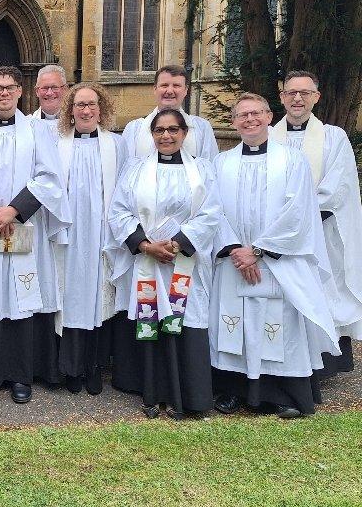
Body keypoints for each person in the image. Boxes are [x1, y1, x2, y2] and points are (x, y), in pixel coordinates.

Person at [209, 93, 339, 418]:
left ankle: (281, 393)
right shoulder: (220, 163)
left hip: (276, 260)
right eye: (242, 115)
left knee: (277, 324)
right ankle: (232, 390)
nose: (250, 120)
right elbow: (211, 211)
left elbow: (299, 212)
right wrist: (235, 250)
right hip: (232, 262)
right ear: (234, 121)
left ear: (269, 117)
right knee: (231, 324)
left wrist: (258, 250)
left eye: (256, 113)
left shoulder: (292, 160)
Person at [0, 66, 70, 403]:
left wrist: (13, 211)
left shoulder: (37, 131)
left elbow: (50, 178)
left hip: (23, 227)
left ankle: (21, 376)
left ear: (21, 91)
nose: (3, 93)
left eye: (10, 87)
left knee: (21, 299)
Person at [108, 108, 220, 419]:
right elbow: (119, 213)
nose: (166, 136)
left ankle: (188, 397)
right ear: (152, 134)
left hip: (187, 262)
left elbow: (211, 214)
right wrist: (145, 244)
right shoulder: (134, 169)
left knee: (186, 322)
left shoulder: (203, 170)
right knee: (152, 321)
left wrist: (177, 243)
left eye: (173, 130)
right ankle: (152, 393)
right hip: (149, 262)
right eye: (159, 130)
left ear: (184, 134)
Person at [35, 82, 130, 395]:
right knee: (69, 299)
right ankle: (70, 370)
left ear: (101, 108)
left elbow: (124, 191)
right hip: (68, 235)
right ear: (70, 110)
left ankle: (94, 368)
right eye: (79, 105)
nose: (86, 110)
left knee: (98, 300)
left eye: (91, 104)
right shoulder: (56, 142)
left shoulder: (117, 145)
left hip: (102, 235)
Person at [271, 70, 362, 377]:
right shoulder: (269, 136)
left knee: (324, 289)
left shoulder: (333, 137)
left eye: (305, 93)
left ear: (316, 97)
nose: (297, 98)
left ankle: (325, 365)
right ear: (282, 97)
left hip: (320, 233)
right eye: (291, 93)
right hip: (278, 235)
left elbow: (338, 187)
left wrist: (301, 220)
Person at [122, 65, 219, 161]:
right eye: (164, 85)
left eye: (176, 86)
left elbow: (210, 169)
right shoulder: (134, 129)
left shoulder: (201, 128)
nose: (169, 91)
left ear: (186, 90)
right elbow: (127, 170)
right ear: (155, 89)